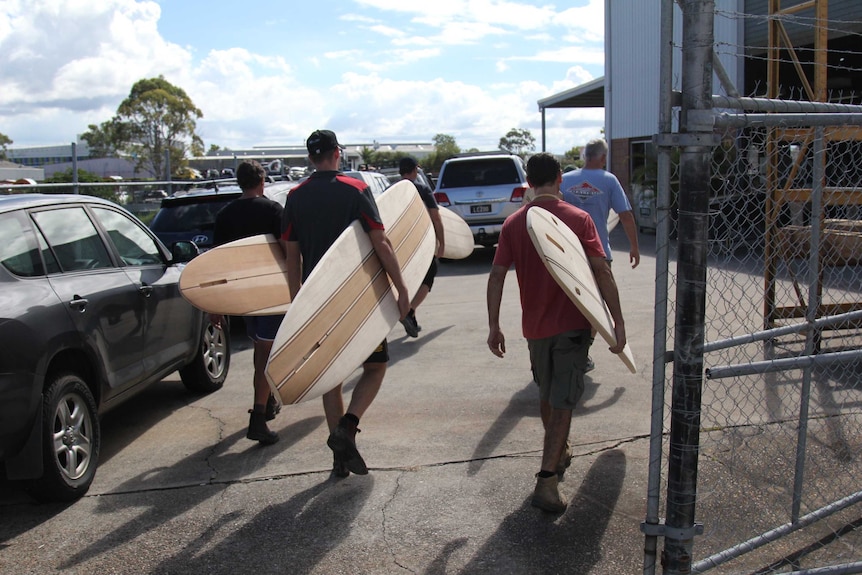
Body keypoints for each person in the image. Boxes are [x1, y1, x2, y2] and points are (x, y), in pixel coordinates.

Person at [486, 152, 627, 513]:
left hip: (535, 329)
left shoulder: (514, 223)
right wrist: (617, 322)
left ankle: (559, 450)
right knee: (562, 403)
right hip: (572, 328)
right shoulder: (578, 219)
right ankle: (546, 482)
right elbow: (601, 270)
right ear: (560, 178)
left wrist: (494, 325)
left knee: (550, 396)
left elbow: (498, 275)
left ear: (529, 182)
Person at [282, 129, 412, 478]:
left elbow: (291, 257)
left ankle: (340, 457)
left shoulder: (295, 196)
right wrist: (401, 288)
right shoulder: (355, 189)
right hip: (358, 299)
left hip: (317, 302)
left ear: (310, 158)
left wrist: (297, 305)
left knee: (331, 377)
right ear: (338, 154)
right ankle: (348, 428)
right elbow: (381, 243)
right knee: (376, 367)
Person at [212, 160, 284, 445]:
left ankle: (267, 404)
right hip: (271, 293)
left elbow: (216, 263)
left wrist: (214, 306)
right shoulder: (272, 210)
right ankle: (258, 417)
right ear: (261, 181)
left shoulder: (225, 214)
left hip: (242, 296)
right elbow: (288, 252)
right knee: (265, 356)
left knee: (262, 350)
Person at [561, 138, 639, 372]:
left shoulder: (565, 180)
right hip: (599, 253)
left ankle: (566, 350)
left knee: (569, 303)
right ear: (603, 157)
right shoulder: (609, 180)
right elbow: (624, 215)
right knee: (595, 306)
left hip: (568, 253)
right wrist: (634, 246)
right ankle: (583, 351)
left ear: (585, 156)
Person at [398, 156, 444, 337]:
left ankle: (412, 318)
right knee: (428, 277)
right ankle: (409, 310)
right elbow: (436, 218)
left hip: (400, 243)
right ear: (415, 170)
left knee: (409, 280)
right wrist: (442, 242)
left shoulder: (392, 191)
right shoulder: (423, 190)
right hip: (421, 243)